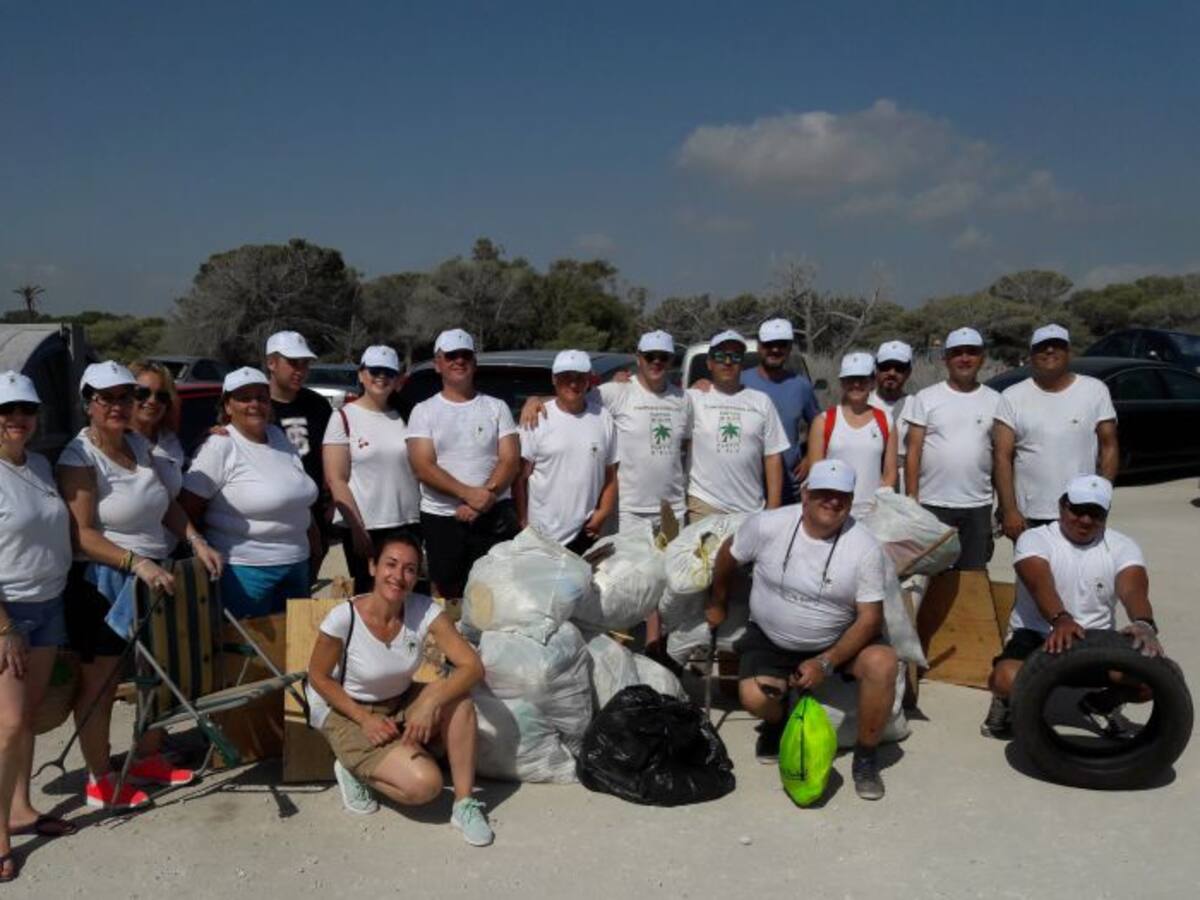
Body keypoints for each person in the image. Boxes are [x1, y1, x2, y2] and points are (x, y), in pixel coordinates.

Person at [57, 362, 222, 810]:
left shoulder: (136, 443)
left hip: (156, 574)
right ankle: (99, 778)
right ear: (88, 402)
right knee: (103, 683)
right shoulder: (79, 457)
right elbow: (83, 534)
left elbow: (165, 505)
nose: (119, 406)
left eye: (125, 397)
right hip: (104, 581)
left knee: (155, 674)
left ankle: (147, 756)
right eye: (107, 398)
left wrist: (195, 539)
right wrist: (136, 563)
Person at [708, 459, 898, 800]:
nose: (833, 501)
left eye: (842, 496)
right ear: (806, 493)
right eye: (824, 492)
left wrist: (826, 661)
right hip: (770, 637)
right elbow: (727, 554)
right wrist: (718, 601)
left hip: (836, 642)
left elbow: (870, 618)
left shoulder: (865, 547)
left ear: (851, 501)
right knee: (754, 697)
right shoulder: (768, 525)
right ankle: (777, 721)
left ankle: (866, 757)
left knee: (883, 663)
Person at [306, 530, 492, 846]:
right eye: (390, 564)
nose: (398, 576)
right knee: (426, 785)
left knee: (459, 701)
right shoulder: (343, 618)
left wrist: (432, 699)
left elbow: (472, 666)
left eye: (409, 568)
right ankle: (355, 769)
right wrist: (365, 720)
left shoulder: (424, 610)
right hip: (347, 707)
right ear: (372, 567)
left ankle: (464, 804)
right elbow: (318, 677)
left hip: (398, 698)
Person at [981, 475, 1159, 739]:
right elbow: (1039, 582)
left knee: (1156, 678)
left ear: (1106, 514)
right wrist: (1060, 619)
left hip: (1095, 640)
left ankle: (1100, 705)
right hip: (1038, 635)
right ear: (1062, 506)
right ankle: (1005, 702)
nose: (1086, 520)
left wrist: (1144, 623)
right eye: (1078, 510)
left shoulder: (1122, 545)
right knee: (1004, 679)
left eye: (1095, 513)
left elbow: (1132, 588)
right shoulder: (1035, 538)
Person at [0, 373, 76, 878]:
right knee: (6, 727)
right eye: (6, 411)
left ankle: (21, 807)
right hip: (10, 611)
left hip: (50, 602)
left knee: (27, 719)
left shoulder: (41, 464)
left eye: (25, 410)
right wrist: (4, 625)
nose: (17, 419)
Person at [520, 329, 691, 535]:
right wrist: (534, 399)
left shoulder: (685, 399)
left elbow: (685, 446)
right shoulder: (616, 391)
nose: (656, 362)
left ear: (672, 360)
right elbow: (571, 399)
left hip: (673, 510)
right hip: (628, 512)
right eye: (650, 356)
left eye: (663, 357)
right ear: (639, 358)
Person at [180, 367, 318, 618]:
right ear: (228, 406)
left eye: (261, 398)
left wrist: (314, 546)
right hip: (246, 572)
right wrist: (200, 546)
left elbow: (297, 498)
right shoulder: (220, 445)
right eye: (244, 398)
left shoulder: (278, 437)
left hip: (297, 563)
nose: (254, 404)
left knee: (295, 650)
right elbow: (187, 508)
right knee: (249, 654)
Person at [405, 329, 521, 603]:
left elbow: (510, 459)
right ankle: (448, 644)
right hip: (443, 518)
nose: (459, 361)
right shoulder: (423, 411)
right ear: (438, 363)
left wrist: (484, 497)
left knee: (494, 593)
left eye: (465, 355)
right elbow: (423, 466)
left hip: (493, 514)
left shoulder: (497, 407)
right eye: (451, 356)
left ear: (474, 362)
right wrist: (468, 495)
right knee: (446, 594)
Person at [994, 323, 1119, 541]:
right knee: (1031, 575)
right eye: (1042, 347)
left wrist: (1102, 497)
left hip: (1081, 512)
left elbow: (1109, 446)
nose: (1050, 351)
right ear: (1032, 355)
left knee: (1080, 574)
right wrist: (1009, 509)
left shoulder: (1095, 390)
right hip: (1029, 515)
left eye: (1057, 346)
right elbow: (1002, 457)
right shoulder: (1011, 396)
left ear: (1068, 353)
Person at [323, 346, 421, 593]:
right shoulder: (343, 418)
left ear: (398, 378)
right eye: (375, 371)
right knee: (369, 598)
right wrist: (357, 529)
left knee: (406, 597)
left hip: (408, 522)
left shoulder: (409, 415)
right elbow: (337, 479)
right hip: (366, 527)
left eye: (389, 372)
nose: (381, 377)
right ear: (361, 374)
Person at [904, 328, 1001, 569]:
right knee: (928, 578)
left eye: (971, 352)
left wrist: (1002, 506)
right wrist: (912, 499)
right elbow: (913, 451)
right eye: (957, 353)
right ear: (945, 359)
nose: (964, 359)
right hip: (932, 503)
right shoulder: (925, 398)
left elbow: (1000, 456)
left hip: (977, 506)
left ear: (982, 358)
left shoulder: (996, 400)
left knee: (973, 577)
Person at [513, 350, 619, 553]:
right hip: (542, 536)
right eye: (566, 378)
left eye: (580, 378)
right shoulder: (537, 419)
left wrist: (603, 512)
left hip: (587, 532)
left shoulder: (603, 418)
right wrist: (523, 521)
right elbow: (520, 478)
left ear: (589, 380)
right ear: (554, 379)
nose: (573, 384)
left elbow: (610, 475)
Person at [685, 330, 789, 521]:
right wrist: (622, 383)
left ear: (742, 363)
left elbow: (773, 457)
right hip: (704, 506)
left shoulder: (761, 401)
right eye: (720, 356)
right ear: (709, 363)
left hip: (750, 510)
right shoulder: (693, 398)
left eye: (735, 357)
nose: (727, 362)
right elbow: (658, 400)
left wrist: (773, 510)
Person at [264, 331, 332, 572]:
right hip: (274, 516)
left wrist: (330, 499)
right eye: (293, 363)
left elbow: (330, 454)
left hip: (314, 510)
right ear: (271, 363)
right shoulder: (256, 406)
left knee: (304, 593)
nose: (300, 370)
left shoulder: (318, 404)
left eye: (305, 364)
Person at [805, 352, 899, 518]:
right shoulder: (823, 421)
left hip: (872, 514)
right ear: (842, 382)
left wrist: (881, 505)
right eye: (850, 379)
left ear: (872, 382)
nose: (856, 384)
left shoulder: (886, 421)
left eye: (862, 379)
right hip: (833, 512)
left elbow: (890, 472)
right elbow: (815, 472)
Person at [742, 318, 821, 501]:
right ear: (759, 346)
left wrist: (809, 457)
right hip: (747, 486)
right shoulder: (741, 382)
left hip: (789, 486)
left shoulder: (801, 386)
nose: (775, 350)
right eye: (769, 344)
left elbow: (818, 423)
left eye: (781, 344)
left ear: (789, 347)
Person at [869, 340, 913, 491]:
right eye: (885, 367)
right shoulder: (862, 403)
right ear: (876, 370)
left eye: (899, 368)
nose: (891, 373)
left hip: (904, 487)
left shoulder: (917, 405)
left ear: (908, 372)